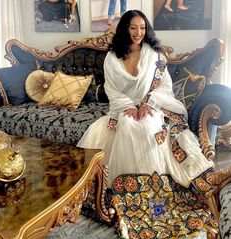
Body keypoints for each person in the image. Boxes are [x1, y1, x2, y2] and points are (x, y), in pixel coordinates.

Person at [77, 10, 231, 239]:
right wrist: (127, 106)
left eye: (142, 27)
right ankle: (129, 194)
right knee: (128, 124)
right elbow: (112, 89)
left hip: (154, 107)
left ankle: (158, 192)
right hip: (122, 109)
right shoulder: (112, 57)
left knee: (147, 125)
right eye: (133, 28)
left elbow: (163, 88)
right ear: (124, 30)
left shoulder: (155, 56)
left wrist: (147, 103)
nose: (138, 33)